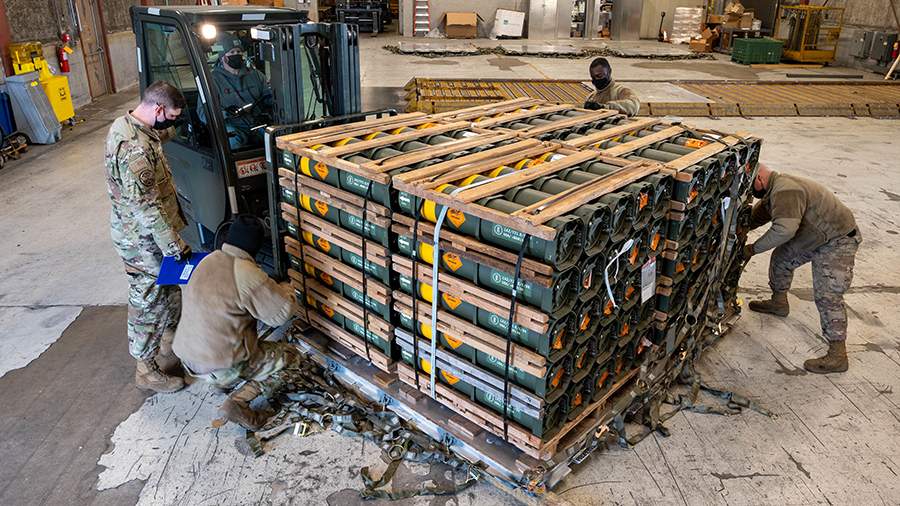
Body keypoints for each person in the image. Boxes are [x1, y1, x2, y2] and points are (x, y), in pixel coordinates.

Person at [173, 215, 299, 430]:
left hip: (188, 357)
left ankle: (221, 381)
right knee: (291, 358)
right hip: (219, 363)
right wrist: (288, 288)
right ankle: (238, 402)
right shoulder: (247, 273)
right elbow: (280, 315)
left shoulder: (206, 260)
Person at [105, 81, 190, 393]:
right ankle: (146, 370)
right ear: (158, 109)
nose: (170, 123)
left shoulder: (132, 125)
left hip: (153, 236)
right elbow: (146, 207)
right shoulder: (134, 149)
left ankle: (169, 346)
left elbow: (159, 136)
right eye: (170, 117)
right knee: (148, 302)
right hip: (141, 242)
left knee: (170, 291)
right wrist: (173, 245)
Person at [742, 163, 860, 374]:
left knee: (828, 294)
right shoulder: (774, 189)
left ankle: (838, 355)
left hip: (837, 239)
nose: (752, 193)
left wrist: (752, 249)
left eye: (751, 187)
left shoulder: (786, 190)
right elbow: (761, 214)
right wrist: (739, 228)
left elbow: (783, 231)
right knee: (781, 259)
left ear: (759, 179)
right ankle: (779, 303)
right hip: (814, 235)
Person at [199, 32, 273, 150]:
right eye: (232, 52)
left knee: (276, 136)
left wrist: (267, 112)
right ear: (223, 57)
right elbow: (203, 113)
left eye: (238, 52)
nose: (236, 55)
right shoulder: (212, 81)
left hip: (256, 121)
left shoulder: (255, 75)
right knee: (233, 140)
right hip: (233, 125)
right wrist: (225, 113)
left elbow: (268, 97)